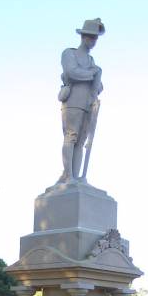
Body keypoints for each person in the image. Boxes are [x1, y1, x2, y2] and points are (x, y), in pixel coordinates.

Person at [57, 18, 105, 184]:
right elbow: (72, 72)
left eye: (95, 38)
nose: (93, 41)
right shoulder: (69, 53)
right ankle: (68, 175)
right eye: (91, 37)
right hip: (73, 101)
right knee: (71, 136)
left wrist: (97, 79)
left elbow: (98, 86)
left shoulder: (92, 62)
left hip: (88, 103)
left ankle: (76, 177)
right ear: (83, 36)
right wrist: (92, 74)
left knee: (82, 142)